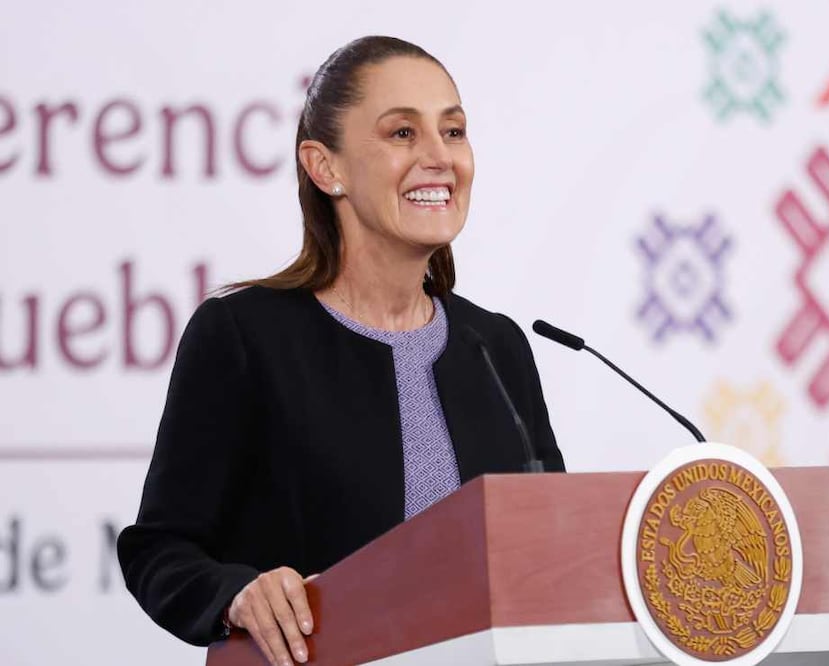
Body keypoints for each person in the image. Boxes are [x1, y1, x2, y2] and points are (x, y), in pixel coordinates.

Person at [117, 35, 565, 666]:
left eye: (454, 131)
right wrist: (236, 594)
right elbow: (160, 549)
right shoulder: (244, 336)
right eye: (402, 134)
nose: (441, 158)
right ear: (325, 166)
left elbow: (552, 551)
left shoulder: (497, 347)